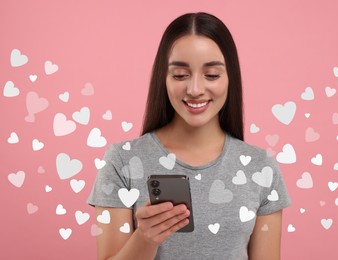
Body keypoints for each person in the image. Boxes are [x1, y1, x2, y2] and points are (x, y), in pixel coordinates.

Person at [88, 12, 291, 260]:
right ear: (163, 78)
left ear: (230, 79)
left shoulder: (261, 167)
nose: (195, 89)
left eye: (212, 75)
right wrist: (145, 238)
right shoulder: (122, 161)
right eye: (180, 75)